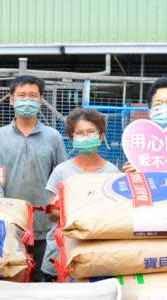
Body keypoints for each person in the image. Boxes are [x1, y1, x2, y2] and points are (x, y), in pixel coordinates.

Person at [0, 75, 67, 282]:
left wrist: (56, 213)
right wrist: (4, 214)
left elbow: (62, 180)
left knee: (43, 279)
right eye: (21, 95)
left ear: (40, 100)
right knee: (11, 278)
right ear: (11, 99)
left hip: (44, 226)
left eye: (33, 95)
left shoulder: (53, 137)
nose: (27, 100)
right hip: (10, 225)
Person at [41, 108, 120, 281]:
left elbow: (116, 214)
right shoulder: (61, 171)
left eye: (91, 132)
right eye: (80, 133)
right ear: (72, 138)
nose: (85, 137)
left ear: (100, 136)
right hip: (61, 253)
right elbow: (51, 213)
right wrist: (62, 208)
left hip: (97, 253)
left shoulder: (112, 173)